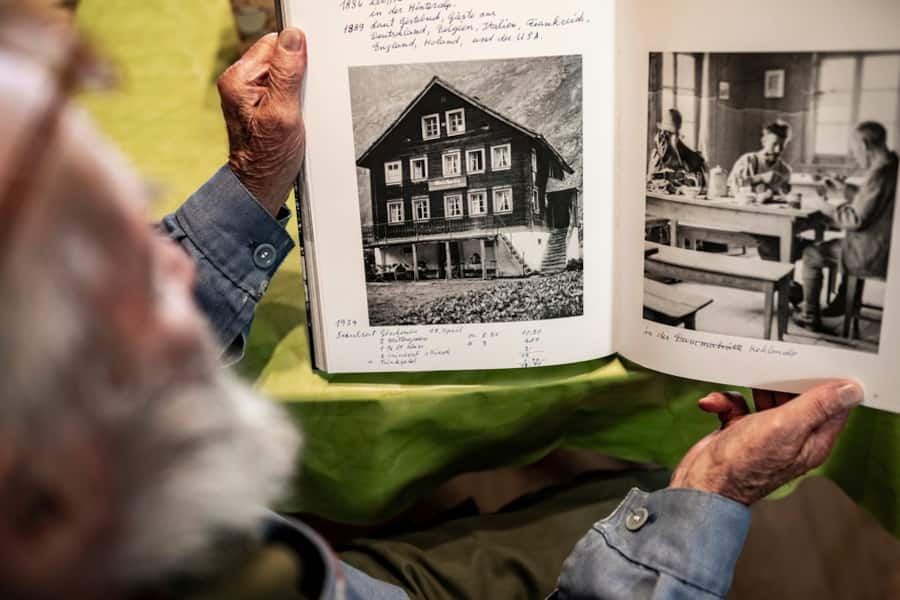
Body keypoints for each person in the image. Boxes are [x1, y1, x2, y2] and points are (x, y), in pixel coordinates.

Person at [0, 4, 863, 599]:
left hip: (290, 559)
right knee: (653, 496)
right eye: (112, 270)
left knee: (614, 498)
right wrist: (710, 489)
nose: (179, 275)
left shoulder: (53, 479)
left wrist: (256, 175)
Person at [794, 121, 898, 332]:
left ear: (865, 144)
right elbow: (872, 202)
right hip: (885, 245)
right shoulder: (892, 167)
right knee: (830, 246)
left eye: (855, 150)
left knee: (811, 253)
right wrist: (846, 189)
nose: (855, 156)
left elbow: (854, 220)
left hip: (871, 252)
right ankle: (844, 302)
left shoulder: (878, 174)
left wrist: (825, 207)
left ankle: (809, 316)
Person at [727, 119, 794, 200]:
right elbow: (731, 187)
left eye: (782, 145)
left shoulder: (785, 170)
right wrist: (760, 178)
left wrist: (784, 189)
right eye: (774, 144)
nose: (778, 150)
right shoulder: (748, 160)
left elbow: (784, 196)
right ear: (764, 141)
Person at [647, 108, 707, 191]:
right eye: (661, 132)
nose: (661, 137)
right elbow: (650, 180)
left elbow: (695, 185)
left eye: (667, 133)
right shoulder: (656, 153)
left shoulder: (691, 157)